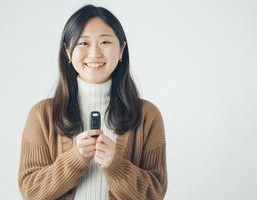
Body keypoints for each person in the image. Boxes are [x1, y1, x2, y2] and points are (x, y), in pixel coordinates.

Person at [18, 4, 167, 200]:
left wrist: (115, 164)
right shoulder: (42, 115)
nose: (95, 53)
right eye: (83, 43)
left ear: (121, 49)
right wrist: (75, 159)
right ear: (67, 52)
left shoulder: (147, 115)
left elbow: (155, 193)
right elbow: (31, 192)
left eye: (105, 42)